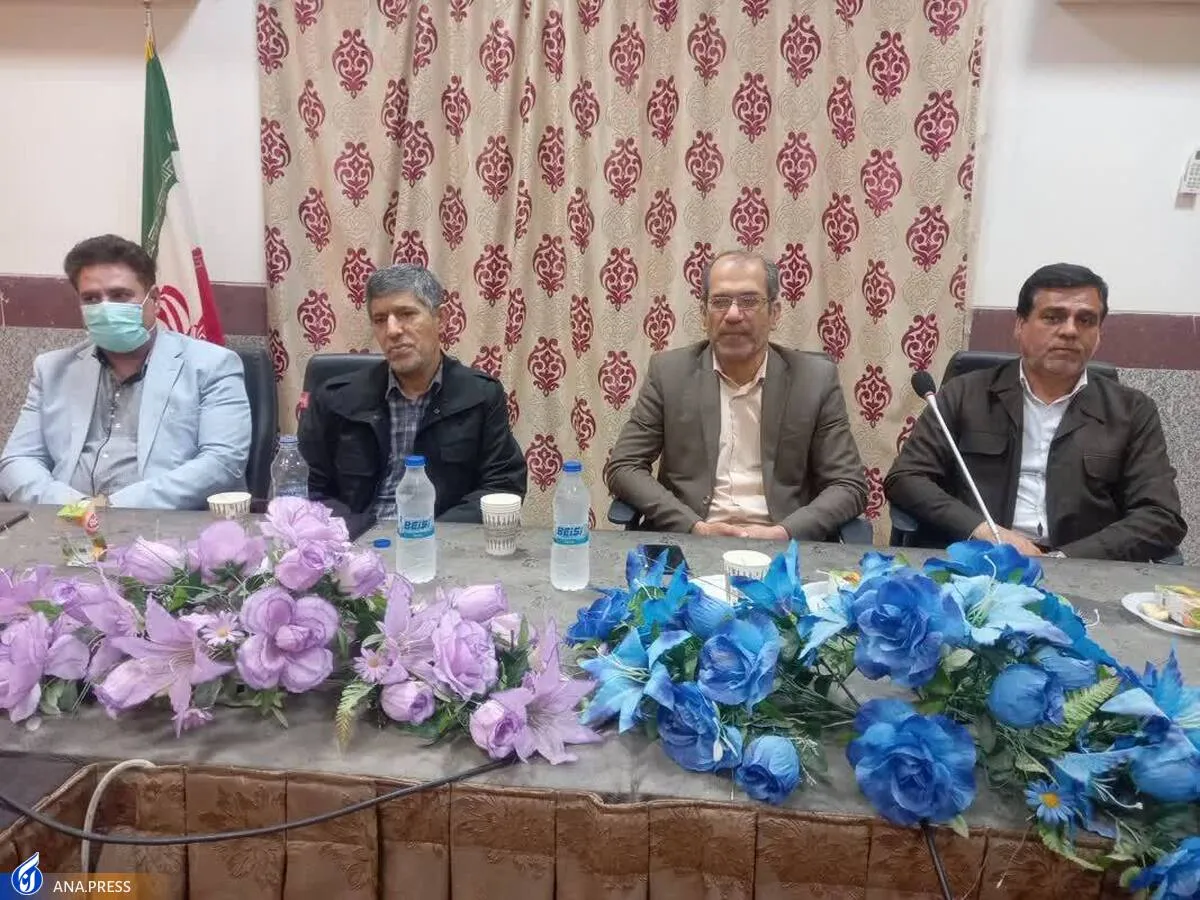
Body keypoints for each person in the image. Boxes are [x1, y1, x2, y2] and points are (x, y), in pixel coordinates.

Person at [885, 262, 1186, 562]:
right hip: (979, 559)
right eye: (1053, 317)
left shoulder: (1132, 411)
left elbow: (1161, 515)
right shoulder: (964, 394)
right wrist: (982, 530)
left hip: (1082, 567)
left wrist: (1065, 558)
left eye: (1085, 320)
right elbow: (907, 478)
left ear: (1098, 334)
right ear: (1020, 325)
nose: (1070, 331)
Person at [605, 250, 868, 541]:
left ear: (775, 313)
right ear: (703, 314)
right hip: (692, 541)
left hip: (783, 545)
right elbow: (624, 467)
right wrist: (695, 527)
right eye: (720, 302)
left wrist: (783, 532)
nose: (732, 314)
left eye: (749, 301)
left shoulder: (814, 379)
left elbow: (848, 485)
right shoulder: (669, 374)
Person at [0, 234, 251, 509]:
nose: (105, 308)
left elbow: (222, 463)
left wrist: (112, 507)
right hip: (64, 520)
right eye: (91, 298)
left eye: (120, 295)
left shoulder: (212, 365)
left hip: (162, 524)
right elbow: (18, 461)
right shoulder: (52, 370)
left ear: (154, 299)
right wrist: (75, 506)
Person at [299, 263, 527, 537]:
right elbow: (308, 488)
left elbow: (502, 485)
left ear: (440, 318)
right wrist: (362, 536)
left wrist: (431, 535)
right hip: (357, 542)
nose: (392, 331)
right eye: (380, 319)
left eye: (406, 314)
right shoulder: (335, 398)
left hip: (443, 544)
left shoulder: (479, 395)